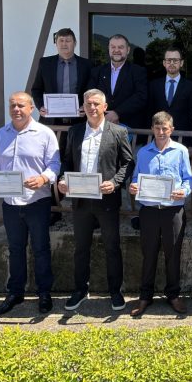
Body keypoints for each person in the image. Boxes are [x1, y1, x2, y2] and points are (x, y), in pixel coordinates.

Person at [0, 92, 60, 316]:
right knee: (15, 249)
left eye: (21, 105)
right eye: (12, 105)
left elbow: (54, 164)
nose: (16, 109)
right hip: (10, 202)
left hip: (37, 201)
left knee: (41, 248)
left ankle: (44, 293)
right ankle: (15, 292)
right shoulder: (1, 134)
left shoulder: (44, 133)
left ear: (31, 108)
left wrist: (43, 178)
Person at [58, 89, 134, 312]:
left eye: (96, 104)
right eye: (88, 104)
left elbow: (128, 163)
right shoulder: (74, 131)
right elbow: (67, 161)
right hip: (80, 199)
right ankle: (80, 290)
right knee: (81, 247)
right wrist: (62, 179)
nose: (92, 107)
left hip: (107, 199)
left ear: (105, 107)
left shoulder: (118, 132)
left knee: (112, 247)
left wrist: (115, 182)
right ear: (83, 107)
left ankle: (115, 291)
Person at [129, 111, 192, 317]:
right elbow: (136, 178)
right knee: (148, 254)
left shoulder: (181, 151)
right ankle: (145, 296)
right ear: (152, 129)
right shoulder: (143, 152)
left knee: (173, 254)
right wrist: (133, 186)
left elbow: (188, 179)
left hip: (173, 210)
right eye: (157, 128)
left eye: (165, 128)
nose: (161, 132)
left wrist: (184, 191)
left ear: (171, 129)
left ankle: (173, 295)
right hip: (149, 210)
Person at [31, 28, 92, 126]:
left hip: (79, 121)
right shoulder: (45, 63)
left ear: (75, 43)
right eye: (61, 40)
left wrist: (86, 107)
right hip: (51, 121)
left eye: (68, 41)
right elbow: (36, 89)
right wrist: (41, 106)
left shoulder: (86, 64)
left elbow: (91, 91)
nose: (64, 44)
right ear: (56, 44)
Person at [88, 34, 148, 129]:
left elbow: (140, 97)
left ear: (128, 50)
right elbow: (91, 95)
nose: (116, 50)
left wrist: (117, 113)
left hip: (129, 128)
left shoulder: (138, 71)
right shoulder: (97, 71)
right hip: (100, 126)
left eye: (120, 47)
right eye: (113, 47)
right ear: (108, 49)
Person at [148, 49, 192, 132]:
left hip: (182, 135)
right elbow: (149, 112)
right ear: (164, 63)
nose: (171, 63)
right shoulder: (154, 85)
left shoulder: (191, 86)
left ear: (181, 63)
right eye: (169, 60)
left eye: (175, 60)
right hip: (159, 134)